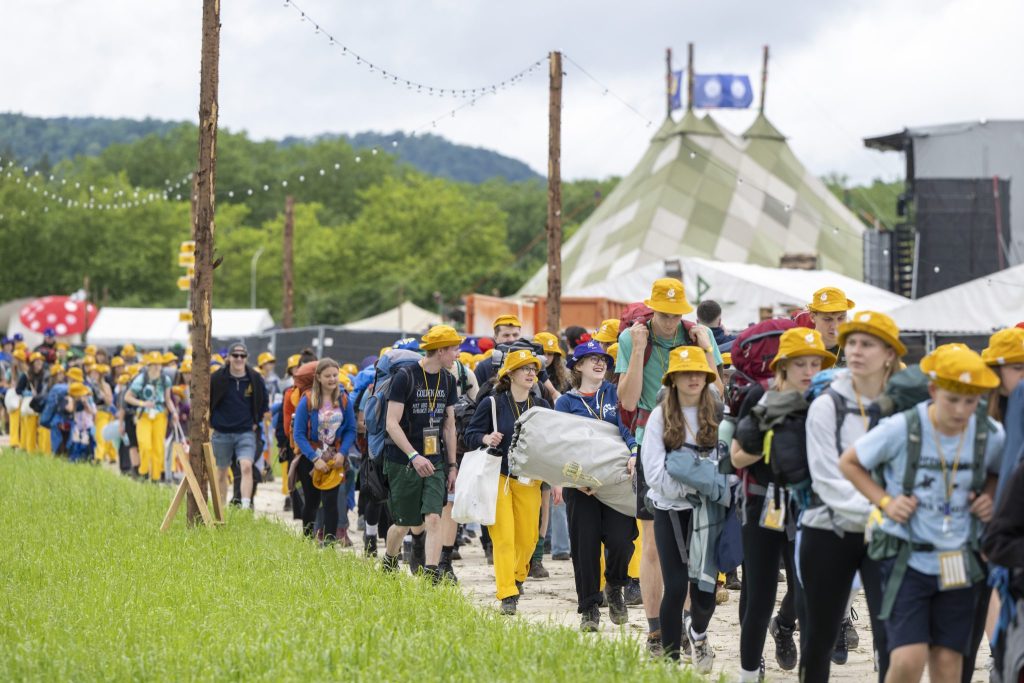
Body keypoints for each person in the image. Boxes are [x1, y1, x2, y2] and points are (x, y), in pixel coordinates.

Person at [839, 343, 1004, 683]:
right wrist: (885, 502)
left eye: (971, 401)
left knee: (948, 664)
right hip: (907, 561)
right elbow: (850, 462)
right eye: (952, 399)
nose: (961, 410)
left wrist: (989, 496)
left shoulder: (988, 432)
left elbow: (1000, 471)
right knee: (908, 659)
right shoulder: (902, 427)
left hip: (959, 562)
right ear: (933, 390)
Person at [616, 277, 723, 654]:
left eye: (676, 315)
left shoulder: (695, 335)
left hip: (697, 447)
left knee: (697, 544)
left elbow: (718, 398)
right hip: (652, 440)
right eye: (663, 314)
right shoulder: (634, 337)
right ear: (652, 309)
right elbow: (628, 402)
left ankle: (692, 625)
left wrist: (707, 350)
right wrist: (638, 351)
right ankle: (657, 629)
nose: (668, 322)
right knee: (653, 547)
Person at [798, 311, 906, 682]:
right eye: (853, 342)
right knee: (819, 640)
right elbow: (826, 478)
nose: (856, 350)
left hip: (888, 535)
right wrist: (883, 508)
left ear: (889, 354)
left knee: (891, 638)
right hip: (830, 531)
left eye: (868, 343)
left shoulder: (904, 406)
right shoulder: (827, 404)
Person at [731, 328, 835, 680]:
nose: (808, 370)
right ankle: (748, 674)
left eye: (815, 363)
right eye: (800, 364)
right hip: (762, 505)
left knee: (808, 597)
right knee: (760, 596)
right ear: (783, 366)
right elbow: (735, 458)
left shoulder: (827, 400)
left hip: (810, 508)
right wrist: (772, 440)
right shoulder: (761, 396)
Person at [641, 345, 724, 671]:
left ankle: (699, 633)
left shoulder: (717, 411)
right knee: (676, 585)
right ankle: (672, 662)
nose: (693, 378)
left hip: (709, 512)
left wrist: (710, 486)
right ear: (672, 379)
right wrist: (695, 485)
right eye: (685, 373)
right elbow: (654, 472)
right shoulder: (661, 416)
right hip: (671, 511)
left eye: (699, 373)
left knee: (706, 589)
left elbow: (727, 463)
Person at [554, 340, 638, 631]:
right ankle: (589, 608)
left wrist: (635, 451)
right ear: (577, 366)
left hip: (615, 481)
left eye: (602, 358)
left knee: (621, 541)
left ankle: (615, 585)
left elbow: (628, 427)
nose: (599, 363)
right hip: (581, 486)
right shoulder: (566, 402)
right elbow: (560, 444)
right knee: (585, 547)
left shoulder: (615, 393)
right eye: (591, 359)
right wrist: (574, 480)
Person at [465, 348, 552, 614]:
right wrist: (485, 438)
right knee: (503, 538)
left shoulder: (541, 406)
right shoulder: (492, 403)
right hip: (499, 479)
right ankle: (507, 594)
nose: (530, 373)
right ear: (510, 373)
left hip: (530, 481)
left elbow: (552, 444)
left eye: (533, 369)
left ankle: (516, 577)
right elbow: (469, 434)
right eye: (525, 368)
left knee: (528, 540)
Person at [381, 325, 462, 583]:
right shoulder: (405, 377)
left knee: (434, 516)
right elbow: (391, 423)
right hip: (403, 460)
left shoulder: (448, 380)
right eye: (454, 349)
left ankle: (430, 573)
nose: (457, 355)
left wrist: (451, 465)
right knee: (404, 522)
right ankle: (390, 558)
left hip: (435, 459)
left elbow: (449, 425)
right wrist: (414, 456)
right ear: (440, 351)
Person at [292, 358, 356, 545]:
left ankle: (329, 544)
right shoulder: (308, 401)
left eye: (335, 375)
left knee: (331, 501)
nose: (332, 379)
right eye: (327, 376)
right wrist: (314, 458)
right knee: (312, 502)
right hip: (310, 456)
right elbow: (299, 434)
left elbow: (351, 429)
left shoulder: (343, 399)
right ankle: (306, 539)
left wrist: (342, 453)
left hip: (334, 456)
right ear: (318, 377)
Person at [531, 331, 572, 576]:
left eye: (550, 353)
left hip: (558, 441)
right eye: (542, 353)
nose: (546, 358)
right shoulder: (533, 377)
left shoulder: (564, 381)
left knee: (552, 499)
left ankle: (553, 548)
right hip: (538, 441)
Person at [209, 342, 268, 508]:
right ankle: (219, 508)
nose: (239, 359)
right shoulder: (218, 378)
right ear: (228, 358)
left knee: (247, 466)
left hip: (246, 432)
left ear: (246, 358)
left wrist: (257, 421)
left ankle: (245, 506)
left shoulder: (254, 378)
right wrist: (211, 422)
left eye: (242, 356)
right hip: (221, 432)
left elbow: (264, 400)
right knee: (221, 471)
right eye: (235, 355)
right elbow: (208, 400)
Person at [124, 352, 177, 482]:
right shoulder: (141, 379)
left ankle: (155, 477)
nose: (156, 367)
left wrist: (174, 412)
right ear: (148, 365)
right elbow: (127, 397)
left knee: (158, 447)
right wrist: (142, 403)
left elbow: (168, 399)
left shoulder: (166, 380)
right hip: (144, 415)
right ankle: (143, 472)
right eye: (153, 364)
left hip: (160, 415)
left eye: (158, 364)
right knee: (145, 445)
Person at [807, 287, 854, 361]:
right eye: (828, 319)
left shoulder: (855, 350)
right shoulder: (801, 348)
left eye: (841, 318)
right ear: (812, 317)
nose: (835, 326)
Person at [16, 351, 47, 453]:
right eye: (37, 362)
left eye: (41, 362)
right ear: (32, 363)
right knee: (30, 429)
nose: (39, 364)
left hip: (39, 404)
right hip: (29, 406)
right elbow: (18, 390)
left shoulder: (44, 376)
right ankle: (30, 450)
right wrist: (28, 393)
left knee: (40, 429)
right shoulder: (26, 375)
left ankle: (35, 449)